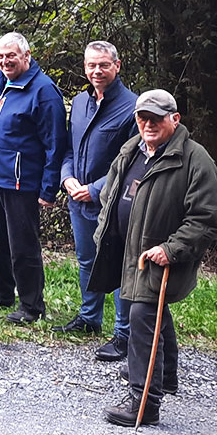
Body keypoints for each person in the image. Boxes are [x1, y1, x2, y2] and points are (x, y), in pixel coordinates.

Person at [89, 90, 217, 427]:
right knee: (151, 312)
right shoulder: (132, 150)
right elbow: (110, 193)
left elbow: (205, 220)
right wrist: (105, 229)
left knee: (142, 315)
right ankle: (166, 376)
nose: (148, 124)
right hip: (127, 250)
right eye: (142, 117)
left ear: (175, 119)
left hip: (159, 256)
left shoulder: (195, 160)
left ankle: (143, 403)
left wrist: (170, 249)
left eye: (156, 118)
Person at [0, 32, 67, 324]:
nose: (4, 61)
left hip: (21, 182)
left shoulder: (43, 91)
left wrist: (49, 189)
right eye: (0, 56)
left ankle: (31, 306)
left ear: (26, 55)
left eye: (10, 55)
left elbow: (55, 143)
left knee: (22, 245)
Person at [51, 41, 138, 358]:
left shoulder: (133, 107)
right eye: (91, 66)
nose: (97, 71)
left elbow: (132, 163)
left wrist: (97, 188)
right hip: (78, 200)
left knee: (115, 266)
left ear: (117, 66)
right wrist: (67, 178)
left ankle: (123, 334)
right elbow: (70, 149)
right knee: (87, 261)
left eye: (103, 65)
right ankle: (90, 318)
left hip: (114, 204)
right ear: (85, 68)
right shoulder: (80, 102)